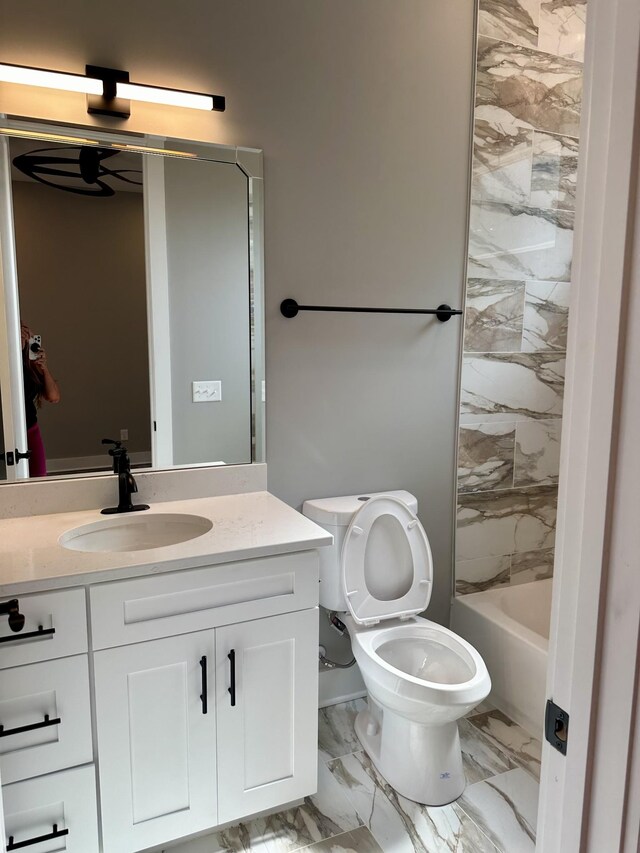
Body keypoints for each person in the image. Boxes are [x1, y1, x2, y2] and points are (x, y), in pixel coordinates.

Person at [20, 322, 60, 477]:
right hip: (8, 434)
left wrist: (44, 368)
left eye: (26, 334)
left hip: (30, 429)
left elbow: (53, 397)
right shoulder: (6, 361)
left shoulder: (31, 365)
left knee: (39, 477)